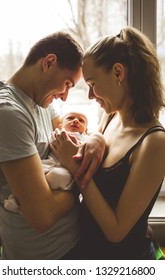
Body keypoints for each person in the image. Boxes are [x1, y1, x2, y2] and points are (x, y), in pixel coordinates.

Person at [50, 26, 165, 260]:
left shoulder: (155, 143)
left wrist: (75, 169)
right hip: (88, 250)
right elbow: (98, 138)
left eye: (92, 84)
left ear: (118, 73)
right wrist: (96, 137)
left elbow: (116, 231)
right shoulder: (111, 115)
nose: (90, 96)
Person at [0, 31, 106, 260]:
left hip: (75, 243)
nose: (65, 97)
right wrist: (80, 183)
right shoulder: (7, 114)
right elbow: (42, 216)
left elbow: (76, 139)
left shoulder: (44, 104)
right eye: (66, 84)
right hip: (44, 260)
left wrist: (97, 139)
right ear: (49, 63)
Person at [4, 111, 89, 213]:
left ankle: (24, 204)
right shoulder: (57, 133)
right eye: (70, 118)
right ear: (61, 126)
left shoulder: (85, 138)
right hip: (48, 163)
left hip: (64, 169)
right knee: (30, 174)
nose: (75, 121)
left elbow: (87, 150)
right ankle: (18, 198)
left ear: (86, 129)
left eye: (81, 120)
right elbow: (50, 142)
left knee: (59, 177)